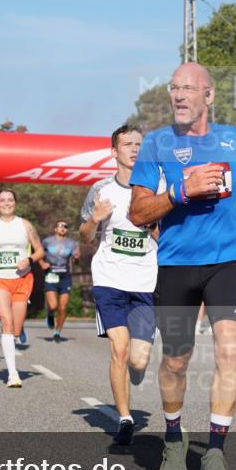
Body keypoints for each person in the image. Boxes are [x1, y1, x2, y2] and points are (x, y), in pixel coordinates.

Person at [129, 62, 236, 470]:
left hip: (226, 261)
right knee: (176, 359)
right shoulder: (156, 144)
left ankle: (215, 452)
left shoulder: (230, 137)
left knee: (230, 351)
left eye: (188, 89)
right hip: (176, 265)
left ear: (208, 96)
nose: (178, 96)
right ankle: (174, 441)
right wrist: (181, 191)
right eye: (174, 88)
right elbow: (138, 213)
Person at [81, 125, 158, 446]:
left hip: (145, 281)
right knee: (120, 349)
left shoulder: (157, 187)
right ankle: (125, 419)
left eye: (139, 144)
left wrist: (154, 227)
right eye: (128, 144)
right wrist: (95, 219)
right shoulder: (101, 190)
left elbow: (165, 236)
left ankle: (136, 372)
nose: (135, 149)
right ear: (114, 152)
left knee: (138, 360)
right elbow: (85, 239)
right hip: (110, 279)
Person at [0, 188, 44, 388]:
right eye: (2, 200)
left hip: (22, 279)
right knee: (6, 323)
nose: (6, 203)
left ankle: (17, 333)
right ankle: (13, 374)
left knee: (15, 329)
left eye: (10, 200)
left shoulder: (25, 225)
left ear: (15, 203)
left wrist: (29, 259)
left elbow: (40, 251)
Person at [41, 220, 80, 342]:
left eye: (65, 226)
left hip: (65, 277)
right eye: (60, 226)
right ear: (55, 229)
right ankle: (50, 314)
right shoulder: (47, 241)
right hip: (51, 275)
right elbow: (38, 254)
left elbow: (76, 259)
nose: (63, 228)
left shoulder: (72, 243)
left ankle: (57, 332)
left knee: (62, 307)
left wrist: (77, 258)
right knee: (53, 305)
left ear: (67, 230)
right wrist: (42, 263)